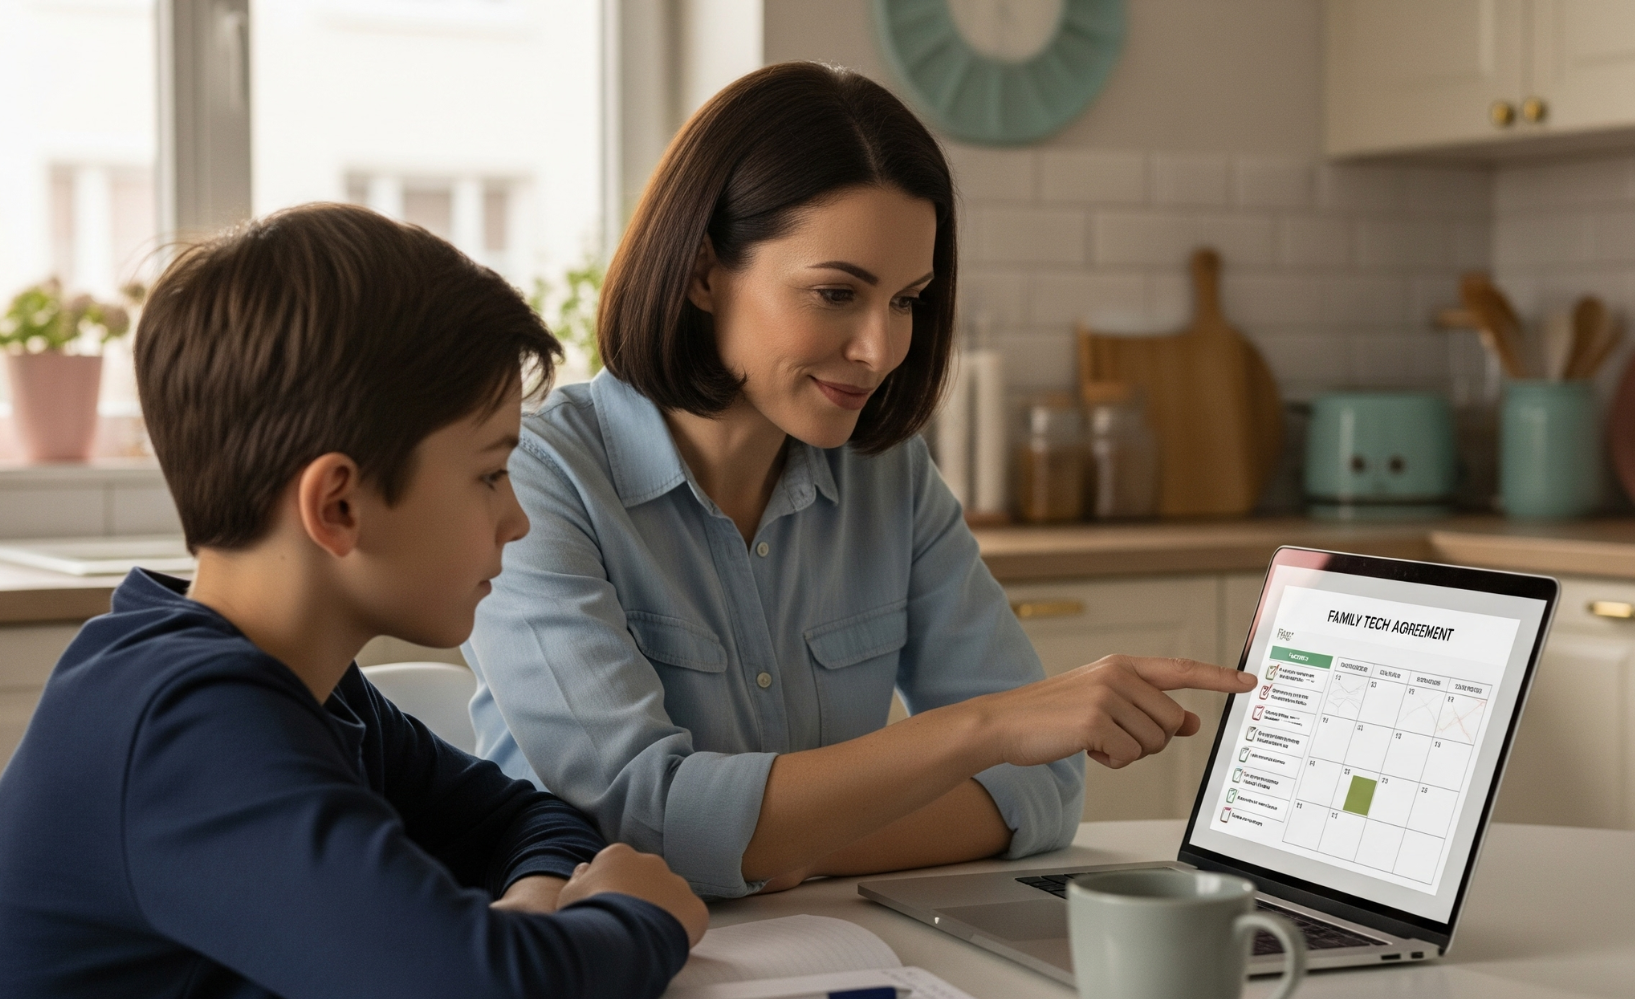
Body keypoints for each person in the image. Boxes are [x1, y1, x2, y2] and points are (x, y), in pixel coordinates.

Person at [0, 204, 707, 999]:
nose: (516, 520)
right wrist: (642, 917)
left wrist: (526, 917)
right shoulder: (184, 725)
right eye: (488, 473)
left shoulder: (305, 687)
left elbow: (528, 816)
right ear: (337, 506)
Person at [461, 62, 1256, 902]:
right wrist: (982, 731)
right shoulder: (534, 477)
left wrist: (801, 849)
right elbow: (646, 818)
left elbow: (1044, 789)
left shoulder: (887, 474)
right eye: (836, 293)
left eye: (908, 300)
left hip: (829, 954)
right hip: (582, 974)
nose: (880, 349)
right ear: (701, 273)